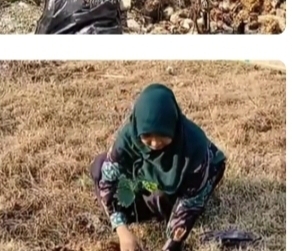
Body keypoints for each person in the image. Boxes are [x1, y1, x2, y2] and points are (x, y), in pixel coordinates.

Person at [91, 84, 227, 251]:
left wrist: (171, 246)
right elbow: (107, 181)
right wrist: (122, 231)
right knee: (99, 165)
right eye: (147, 136)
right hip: (145, 180)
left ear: (173, 126)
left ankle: (158, 206)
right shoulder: (128, 137)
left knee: (159, 192)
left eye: (163, 135)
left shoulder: (194, 145)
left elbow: (189, 204)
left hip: (171, 190)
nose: (155, 144)